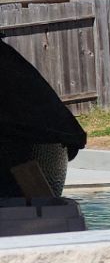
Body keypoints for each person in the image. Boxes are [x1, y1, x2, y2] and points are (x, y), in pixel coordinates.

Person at [0, 38, 88, 200]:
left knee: (33, 211)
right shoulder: (10, 62)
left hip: (32, 150)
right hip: (47, 145)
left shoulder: (7, 63)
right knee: (40, 213)